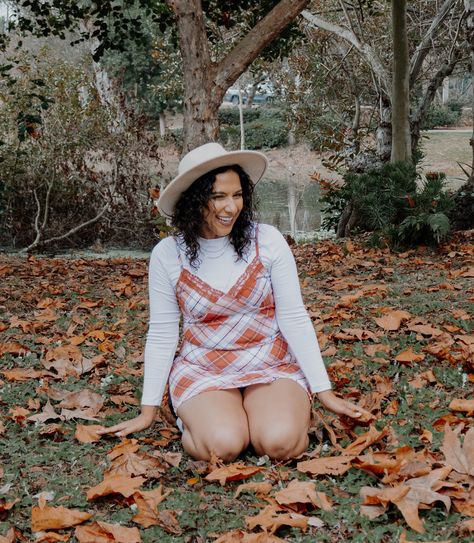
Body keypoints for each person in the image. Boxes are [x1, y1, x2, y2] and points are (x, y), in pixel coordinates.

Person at [98, 142, 371, 461]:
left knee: (280, 443)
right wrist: (148, 410)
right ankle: (202, 419)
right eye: (218, 197)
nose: (231, 207)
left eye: (237, 195)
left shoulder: (267, 241)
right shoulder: (168, 254)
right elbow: (162, 333)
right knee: (223, 445)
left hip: (270, 362)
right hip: (203, 368)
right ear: (193, 200)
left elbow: (294, 317)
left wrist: (323, 390)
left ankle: (278, 411)